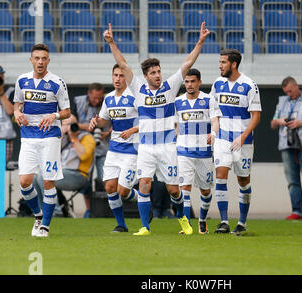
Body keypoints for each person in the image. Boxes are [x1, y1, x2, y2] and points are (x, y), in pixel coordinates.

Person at [104, 22, 210, 235]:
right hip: (146, 148)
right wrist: (112, 43)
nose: (158, 75)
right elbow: (123, 65)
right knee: (144, 184)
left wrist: (200, 42)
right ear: (146, 76)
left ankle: (182, 218)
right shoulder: (138, 89)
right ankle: (145, 226)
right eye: (153, 72)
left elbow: (188, 63)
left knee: (173, 190)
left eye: (159, 71)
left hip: (168, 147)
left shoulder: (170, 87)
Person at [13, 43, 71, 238]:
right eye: (36, 58)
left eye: (43, 58)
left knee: (48, 182)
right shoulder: (22, 80)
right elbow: (17, 106)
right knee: (24, 182)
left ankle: (45, 226)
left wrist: (54, 116)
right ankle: (38, 216)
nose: (40, 62)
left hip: (49, 136)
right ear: (31, 60)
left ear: (48, 60)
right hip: (28, 136)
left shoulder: (57, 82)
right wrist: (16, 113)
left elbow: (67, 112)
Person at [209, 49, 261, 235]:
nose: (220, 65)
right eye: (220, 61)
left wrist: (243, 136)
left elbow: (256, 116)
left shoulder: (249, 85)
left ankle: (242, 222)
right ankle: (224, 221)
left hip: (243, 142)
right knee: (220, 176)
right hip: (223, 139)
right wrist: (214, 132)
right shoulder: (217, 84)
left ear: (233, 64)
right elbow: (214, 111)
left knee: (243, 180)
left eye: (223, 62)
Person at [89, 64, 139, 233]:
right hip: (114, 149)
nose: (118, 79)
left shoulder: (134, 96)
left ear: (127, 78)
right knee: (110, 187)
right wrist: (96, 121)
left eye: (121, 75)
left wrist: (132, 130)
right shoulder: (109, 98)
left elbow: (147, 120)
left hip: (132, 149)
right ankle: (121, 225)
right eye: (115, 75)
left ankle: (142, 199)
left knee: (123, 191)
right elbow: (104, 120)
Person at [174, 68, 221, 234]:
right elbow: (175, 126)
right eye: (186, 81)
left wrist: (213, 133)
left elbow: (216, 121)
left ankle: (202, 220)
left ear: (199, 82)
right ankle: (187, 226)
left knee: (205, 190)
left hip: (204, 152)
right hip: (184, 152)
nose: (189, 85)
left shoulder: (208, 100)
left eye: (193, 81)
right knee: (184, 188)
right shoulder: (178, 102)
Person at [270, 76, 302, 221]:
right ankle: (297, 211)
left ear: (296, 86)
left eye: (290, 91)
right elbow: (272, 123)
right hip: (286, 145)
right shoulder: (282, 101)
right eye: (286, 92)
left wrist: (300, 123)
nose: (288, 94)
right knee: (292, 181)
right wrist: (279, 121)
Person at [33, 115, 96, 217]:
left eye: (71, 124)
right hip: (61, 173)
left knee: (44, 177)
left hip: (78, 175)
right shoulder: (62, 139)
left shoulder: (86, 137)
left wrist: (74, 139)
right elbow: (46, 152)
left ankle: (55, 212)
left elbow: (84, 156)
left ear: (77, 124)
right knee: (35, 178)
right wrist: (60, 134)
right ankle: (42, 212)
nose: (69, 127)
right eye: (66, 124)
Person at [71, 82, 110, 218]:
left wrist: (107, 131)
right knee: (85, 181)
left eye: (99, 98)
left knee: (105, 180)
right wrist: (87, 126)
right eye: (94, 98)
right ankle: (88, 210)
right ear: (89, 93)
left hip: (103, 147)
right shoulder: (78, 101)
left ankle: (105, 210)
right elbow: (72, 124)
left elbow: (115, 122)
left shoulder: (108, 102)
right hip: (85, 147)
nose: (97, 100)